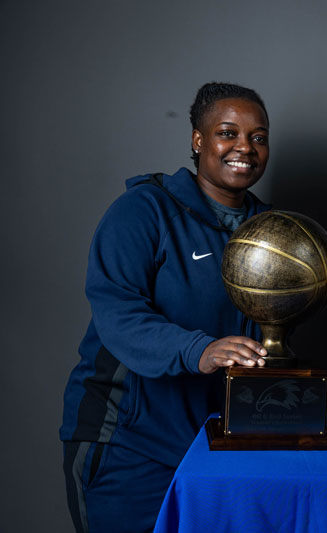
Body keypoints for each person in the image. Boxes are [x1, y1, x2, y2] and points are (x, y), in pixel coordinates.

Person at [60, 82, 274, 532]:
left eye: (258, 137)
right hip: (127, 442)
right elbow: (119, 314)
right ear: (198, 140)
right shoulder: (144, 211)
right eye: (227, 133)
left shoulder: (273, 232)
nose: (244, 148)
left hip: (214, 444)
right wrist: (201, 350)